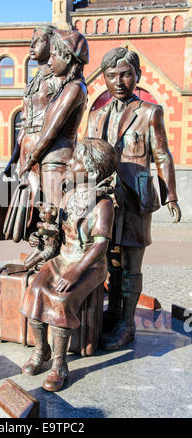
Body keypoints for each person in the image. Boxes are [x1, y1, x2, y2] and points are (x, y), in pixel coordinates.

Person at [86, 47, 181, 350]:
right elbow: (86, 155)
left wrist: (171, 196)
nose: (119, 81)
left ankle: (127, 325)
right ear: (104, 78)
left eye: (126, 74)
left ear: (137, 75)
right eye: (111, 75)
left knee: (131, 264)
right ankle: (112, 316)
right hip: (104, 200)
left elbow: (162, 154)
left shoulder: (150, 112)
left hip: (135, 198)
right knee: (108, 261)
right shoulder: (97, 114)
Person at [20, 138, 117, 392]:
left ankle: (60, 365)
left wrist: (76, 271)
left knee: (61, 299)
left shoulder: (103, 204)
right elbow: (58, 234)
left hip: (89, 266)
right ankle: (42, 351)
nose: (69, 163)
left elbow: (99, 246)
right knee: (35, 289)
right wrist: (41, 236)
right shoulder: (69, 194)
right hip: (62, 258)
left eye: (75, 161)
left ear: (92, 172)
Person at [19, 29, 89, 210]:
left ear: (67, 57)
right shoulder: (66, 87)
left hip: (55, 159)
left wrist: (31, 159)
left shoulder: (74, 89)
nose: (50, 61)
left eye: (54, 55)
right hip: (43, 155)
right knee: (39, 211)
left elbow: (51, 130)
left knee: (54, 213)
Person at [3, 25, 59, 239]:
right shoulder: (34, 80)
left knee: (46, 200)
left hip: (47, 146)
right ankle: (33, 243)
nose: (31, 46)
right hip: (27, 145)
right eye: (31, 41)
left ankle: (48, 245)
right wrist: (14, 158)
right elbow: (24, 122)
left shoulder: (58, 79)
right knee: (28, 200)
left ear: (52, 45)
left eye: (38, 41)